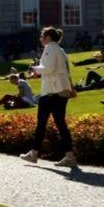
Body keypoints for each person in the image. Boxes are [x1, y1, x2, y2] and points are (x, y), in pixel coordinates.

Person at [20, 27, 78, 168]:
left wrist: (34, 69)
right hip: (61, 90)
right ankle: (69, 156)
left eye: (42, 36)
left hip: (52, 91)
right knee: (60, 124)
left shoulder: (50, 48)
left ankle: (34, 153)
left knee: (41, 123)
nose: (40, 38)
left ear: (48, 37)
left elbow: (48, 68)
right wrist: (39, 71)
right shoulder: (60, 50)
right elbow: (54, 69)